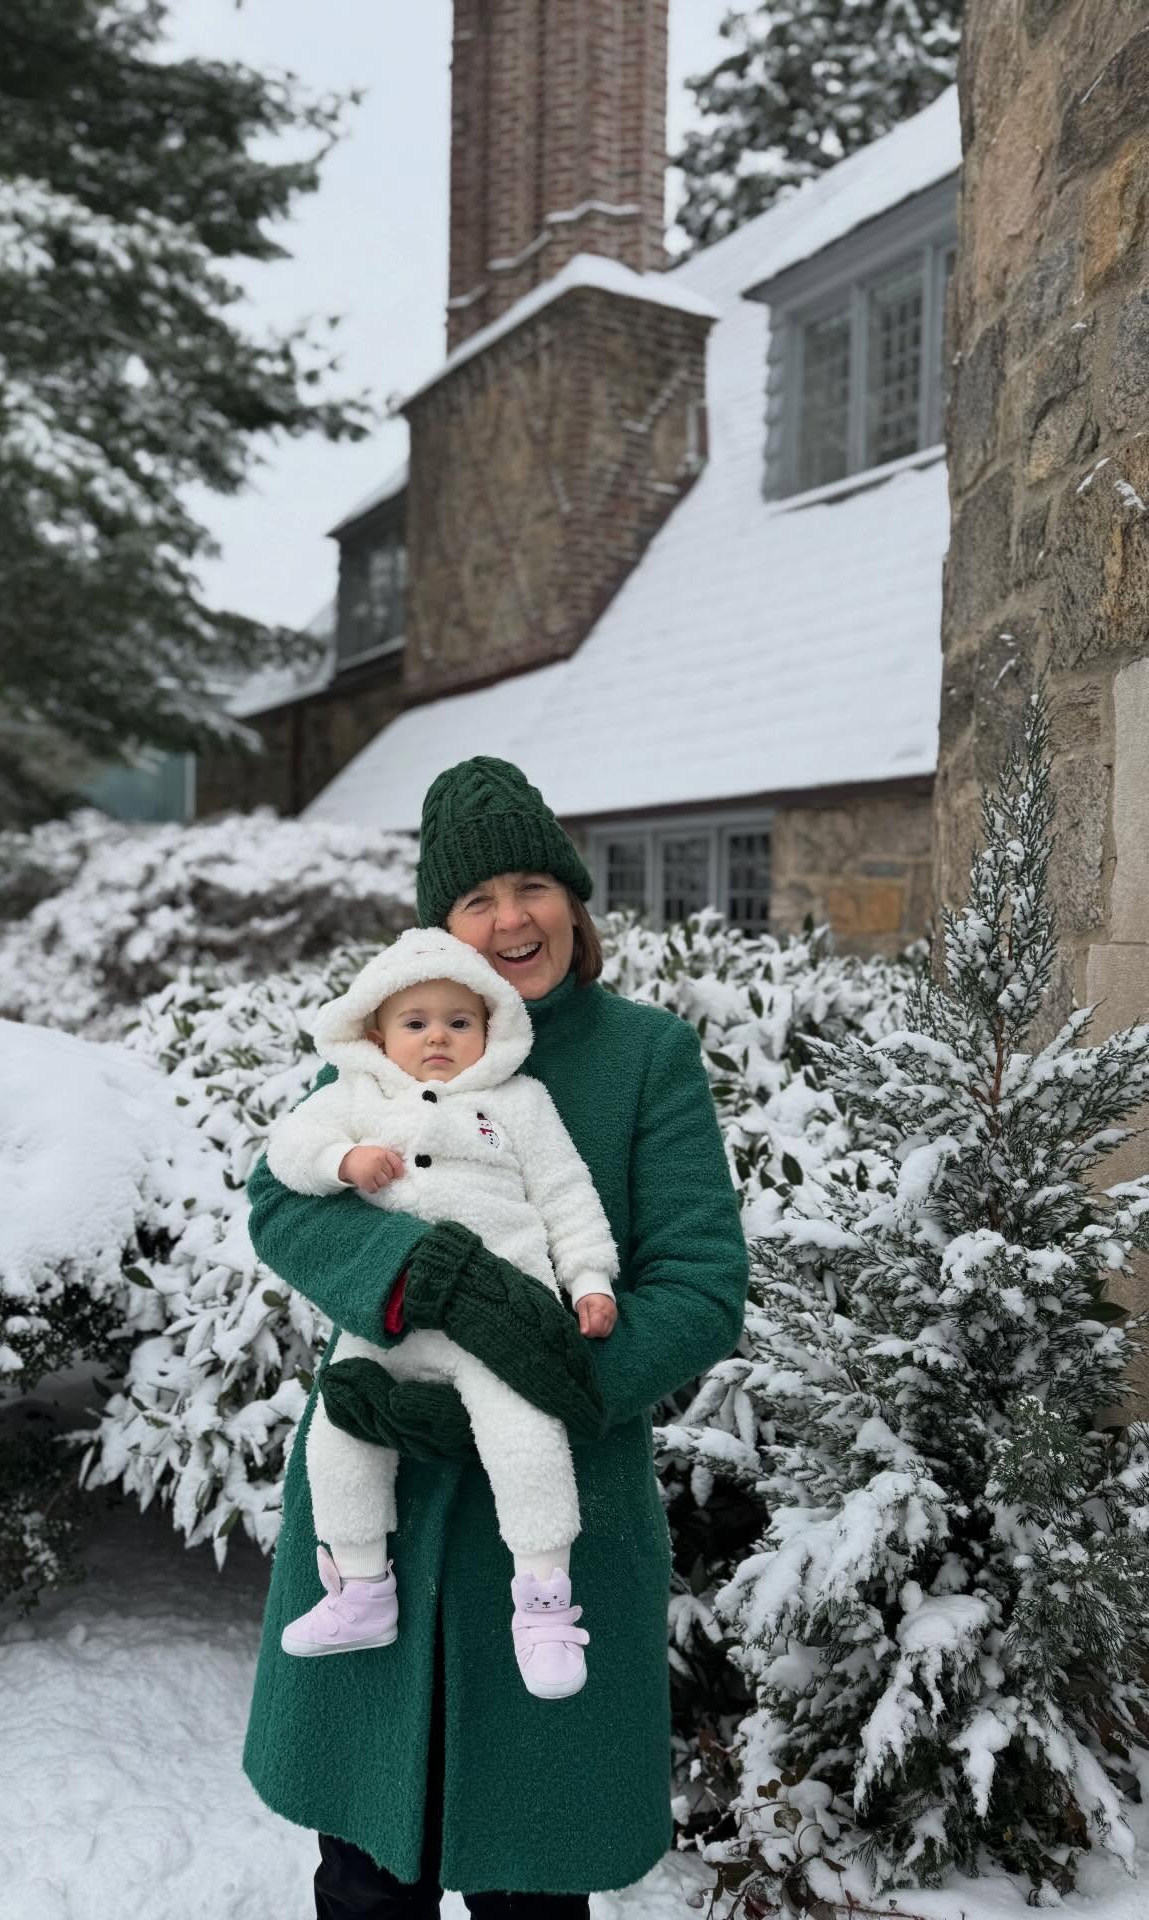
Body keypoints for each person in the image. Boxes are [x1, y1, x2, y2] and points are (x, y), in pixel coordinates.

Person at [241, 755, 750, 1916]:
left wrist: (540, 1367)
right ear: (443, 926)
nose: (512, 917)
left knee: (531, 1876)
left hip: (553, 1504)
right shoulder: (397, 1041)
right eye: (479, 897)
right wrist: (414, 1277)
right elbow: (283, 1199)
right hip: (385, 1465)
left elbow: (701, 1284)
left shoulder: (644, 1058)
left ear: (574, 898)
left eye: (533, 884)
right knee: (366, 1872)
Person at [264, 925, 620, 1701]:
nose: (437, 1038)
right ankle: (360, 1587)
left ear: (490, 1029)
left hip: (504, 1317)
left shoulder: (519, 1102)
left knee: (528, 1442)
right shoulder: (355, 1096)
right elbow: (287, 1150)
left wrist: (590, 1277)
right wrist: (343, 1162)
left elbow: (566, 1194)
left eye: (459, 1022)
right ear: (376, 1033)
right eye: (415, 1023)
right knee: (340, 1433)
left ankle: (545, 1603)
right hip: (387, 1317)